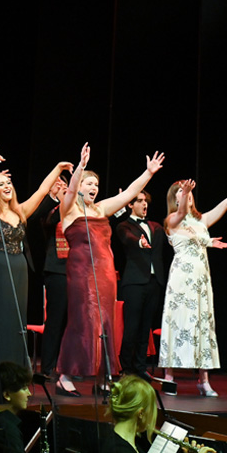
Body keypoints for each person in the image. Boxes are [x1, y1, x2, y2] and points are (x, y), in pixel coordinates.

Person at [58, 143, 164, 385]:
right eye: (89, 183)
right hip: (81, 272)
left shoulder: (102, 208)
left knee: (106, 321)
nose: (94, 188)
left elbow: (128, 194)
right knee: (82, 319)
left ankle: (105, 375)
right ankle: (65, 374)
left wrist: (148, 173)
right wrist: (81, 167)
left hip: (106, 273)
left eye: (96, 184)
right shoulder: (69, 210)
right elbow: (72, 191)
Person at [158, 172, 227, 396]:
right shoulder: (171, 220)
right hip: (181, 280)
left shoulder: (202, 220)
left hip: (201, 281)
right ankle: (169, 378)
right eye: (181, 191)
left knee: (202, 324)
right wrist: (185, 195)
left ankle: (204, 380)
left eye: (188, 191)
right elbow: (180, 213)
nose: (187, 194)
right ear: (174, 197)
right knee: (178, 323)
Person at [0, 158, 73, 368]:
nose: (6, 187)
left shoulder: (20, 212)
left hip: (19, 269)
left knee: (16, 321)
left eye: (8, 183)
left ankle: (15, 372)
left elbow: (41, 191)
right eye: (0, 184)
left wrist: (57, 168)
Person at [115, 191, 167, 381]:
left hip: (154, 282)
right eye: (139, 201)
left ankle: (140, 366)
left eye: (146, 201)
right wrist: (138, 241)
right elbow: (126, 237)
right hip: (135, 283)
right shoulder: (124, 226)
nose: (144, 204)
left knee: (146, 327)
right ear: (131, 205)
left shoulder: (156, 227)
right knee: (132, 326)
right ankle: (126, 367)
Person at [35, 177, 79, 395]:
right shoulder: (50, 212)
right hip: (57, 271)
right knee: (55, 320)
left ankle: (69, 366)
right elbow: (49, 222)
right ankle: (48, 366)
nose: (64, 189)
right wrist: (60, 198)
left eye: (66, 187)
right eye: (60, 187)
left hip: (77, 271)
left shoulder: (77, 212)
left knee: (73, 323)